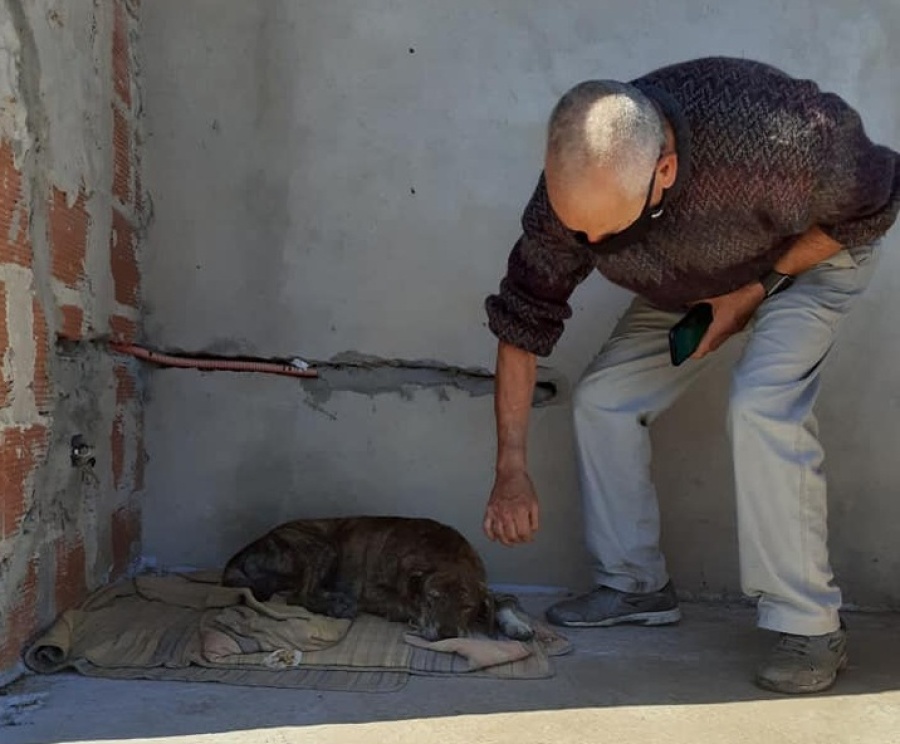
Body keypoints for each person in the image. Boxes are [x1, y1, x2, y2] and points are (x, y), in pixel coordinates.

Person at [482, 56, 899, 694]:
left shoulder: (782, 136)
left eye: (606, 232)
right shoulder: (569, 200)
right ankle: (634, 587)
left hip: (808, 266)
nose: (587, 243)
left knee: (760, 402)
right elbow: (522, 321)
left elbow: (876, 203)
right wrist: (510, 467)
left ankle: (810, 627)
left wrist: (754, 291)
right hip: (691, 286)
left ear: (665, 171)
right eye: (578, 232)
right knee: (604, 398)